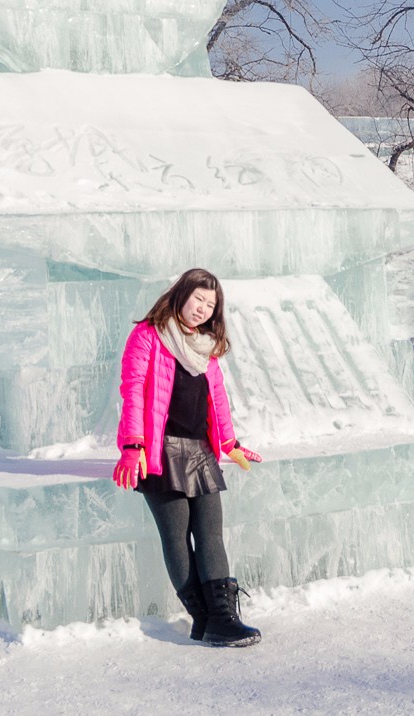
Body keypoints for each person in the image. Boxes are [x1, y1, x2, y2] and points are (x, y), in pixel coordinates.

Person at [112, 267, 264, 647]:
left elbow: (217, 401)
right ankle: (203, 618)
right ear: (181, 294)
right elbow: (133, 392)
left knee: (210, 532)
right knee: (177, 538)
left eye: (210, 305)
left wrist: (229, 443)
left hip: (199, 451)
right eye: (198, 299)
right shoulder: (147, 335)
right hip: (159, 451)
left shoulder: (205, 348)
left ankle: (221, 618)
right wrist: (133, 446)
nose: (202, 309)